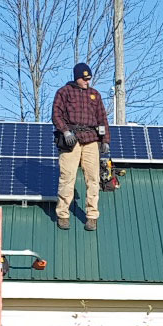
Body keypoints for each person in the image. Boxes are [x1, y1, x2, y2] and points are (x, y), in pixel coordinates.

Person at [51, 62, 109, 231]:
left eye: (89, 79)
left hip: (91, 139)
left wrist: (105, 140)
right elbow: (56, 114)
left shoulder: (95, 95)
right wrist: (66, 132)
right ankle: (62, 213)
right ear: (77, 77)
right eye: (84, 79)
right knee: (67, 177)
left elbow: (102, 119)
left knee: (93, 179)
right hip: (72, 139)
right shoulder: (64, 92)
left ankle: (92, 216)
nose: (87, 82)